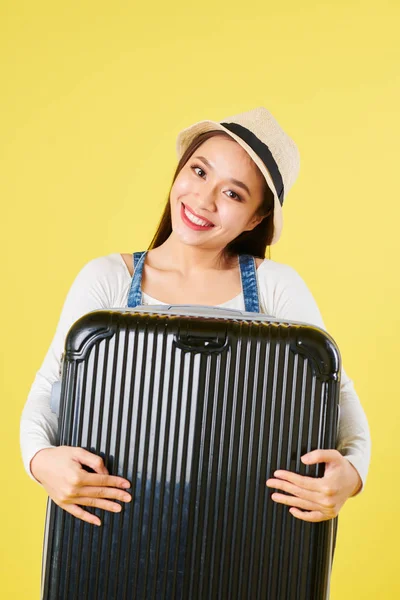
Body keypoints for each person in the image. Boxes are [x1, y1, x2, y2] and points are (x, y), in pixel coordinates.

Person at [20, 106, 371, 531]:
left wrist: (352, 474)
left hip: (245, 532)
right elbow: (48, 390)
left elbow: (338, 393)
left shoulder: (277, 288)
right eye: (200, 172)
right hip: (111, 527)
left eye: (233, 194)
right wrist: (41, 460)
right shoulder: (106, 279)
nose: (203, 199)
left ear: (255, 218)